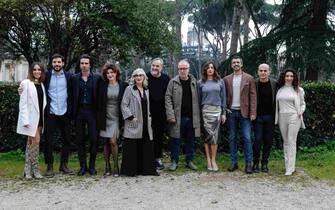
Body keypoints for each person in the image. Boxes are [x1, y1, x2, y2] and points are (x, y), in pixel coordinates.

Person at [120, 68, 157, 176]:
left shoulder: (146, 90)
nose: (138, 77)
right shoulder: (129, 89)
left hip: (146, 122)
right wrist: (131, 117)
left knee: (146, 146)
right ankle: (132, 171)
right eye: (136, 75)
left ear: (144, 77)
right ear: (133, 78)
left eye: (141, 75)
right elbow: (124, 105)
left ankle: (146, 170)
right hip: (134, 122)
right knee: (132, 147)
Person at [165, 59, 201, 171]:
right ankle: (174, 161)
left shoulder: (194, 82)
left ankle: (189, 161)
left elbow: (199, 98)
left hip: (191, 117)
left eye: (184, 68)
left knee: (190, 140)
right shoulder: (173, 82)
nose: (182, 70)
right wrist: (170, 115)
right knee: (175, 140)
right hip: (177, 118)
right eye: (180, 68)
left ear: (188, 69)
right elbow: (167, 98)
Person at [223, 55, 256, 174]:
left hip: (245, 113)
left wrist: (253, 112)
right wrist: (225, 110)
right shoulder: (226, 79)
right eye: (234, 62)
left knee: (247, 138)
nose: (236, 64)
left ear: (241, 64)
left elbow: (253, 96)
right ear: (231, 65)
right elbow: (224, 96)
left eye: (238, 62)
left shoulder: (249, 78)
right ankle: (234, 162)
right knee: (232, 138)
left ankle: (248, 163)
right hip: (231, 112)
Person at [43, 54, 73, 177]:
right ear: (51, 63)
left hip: (65, 112)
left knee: (67, 140)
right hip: (51, 112)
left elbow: (72, 93)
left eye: (59, 62)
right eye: (54, 62)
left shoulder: (69, 76)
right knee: (48, 141)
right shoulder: (46, 76)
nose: (57, 64)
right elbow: (35, 84)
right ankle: (49, 166)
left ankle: (63, 165)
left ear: (63, 63)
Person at [71, 54, 100, 176]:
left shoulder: (97, 78)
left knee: (94, 139)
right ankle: (83, 166)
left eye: (86, 63)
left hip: (92, 112)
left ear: (90, 64)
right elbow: (70, 95)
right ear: (79, 64)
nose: (84, 65)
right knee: (80, 140)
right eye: (82, 63)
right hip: (79, 112)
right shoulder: (74, 78)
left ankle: (92, 166)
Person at [17, 62, 47, 179]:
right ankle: (35, 169)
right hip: (30, 119)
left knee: (30, 143)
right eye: (34, 70)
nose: (37, 72)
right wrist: (25, 120)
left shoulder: (42, 84)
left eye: (39, 70)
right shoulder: (26, 83)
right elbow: (23, 103)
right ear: (31, 71)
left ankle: (27, 169)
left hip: (40, 118)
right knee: (35, 141)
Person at [97, 63, 128, 177]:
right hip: (105, 117)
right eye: (108, 73)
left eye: (112, 72)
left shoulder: (123, 85)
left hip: (116, 117)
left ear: (116, 73)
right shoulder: (102, 85)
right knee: (105, 143)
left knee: (113, 142)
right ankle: (107, 165)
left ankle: (115, 165)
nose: (110, 74)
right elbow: (98, 101)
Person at [275, 68, 306, 176]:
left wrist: (300, 112)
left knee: (291, 141)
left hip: (294, 116)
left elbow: (303, 104)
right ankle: (287, 165)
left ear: (294, 78)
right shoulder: (280, 89)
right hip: (282, 117)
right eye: (287, 76)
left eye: (291, 76)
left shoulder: (299, 90)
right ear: (284, 77)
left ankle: (290, 168)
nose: (289, 78)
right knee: (286, 142)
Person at [198, 61, 226, 172]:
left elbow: (224, 98)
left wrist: (224, 113)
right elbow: (199, 99)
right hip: (205, 111)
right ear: (205, 70)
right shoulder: (200, 82)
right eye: (208, 68)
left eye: (212, 67)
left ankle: (214, 160)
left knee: (215, 137)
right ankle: (208, 160)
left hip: (217, 111)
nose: (210, 69)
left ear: (214, 69)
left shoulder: (220, 82)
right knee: (207, 137)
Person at [253, 63, 277, 173]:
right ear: (258, 72)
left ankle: (264, 163)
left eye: (265, 71)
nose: (263, 73)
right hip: (257, 117)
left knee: (268, 141)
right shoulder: (254, 83)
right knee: (257, 140)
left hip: (270, 117)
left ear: (269, 72)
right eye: (261, 71)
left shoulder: (274, 84)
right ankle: (256, 163)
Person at [146, 58, 170, 170]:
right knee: (147, 136)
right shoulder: (144, 77)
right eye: (153, 65)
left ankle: (157, 158)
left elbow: (169, 96)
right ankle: (147, 159)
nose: (155, 68)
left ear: (162, 67)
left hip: (161, 114)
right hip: (146, 113)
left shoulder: (166, 79)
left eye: (157, 66)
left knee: (158, 137)